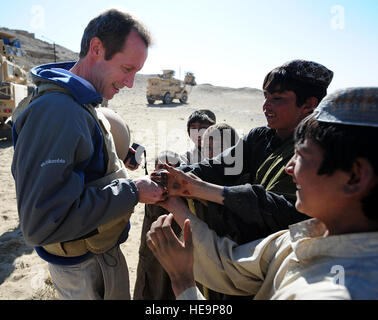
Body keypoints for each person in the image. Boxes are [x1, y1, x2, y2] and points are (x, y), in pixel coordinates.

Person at [147, 87, 378, 300]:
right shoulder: (301, 239)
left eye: (302, 157)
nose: (289, 168)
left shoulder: (337, 291)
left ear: (355, 176)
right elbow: (229, 265)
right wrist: (175, 205)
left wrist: (183, 282)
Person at [11, 9, 165, 300]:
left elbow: (77, 161)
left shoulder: (80, 101)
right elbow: (43, 223)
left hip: (95, 255)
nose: (130, 83)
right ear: (97, 49)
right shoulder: (57, 111)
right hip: (82, 268)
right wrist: (132, 192)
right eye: (127, 69)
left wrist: (118, 157)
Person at [167, 60, 334, 245]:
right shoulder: (259, 137)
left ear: (309, 104)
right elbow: (219, 166)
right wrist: (176, 174)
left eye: (277, 98)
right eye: (265, 97)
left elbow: (283, 212)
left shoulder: (316, 152)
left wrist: (212, 192)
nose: (266, 106)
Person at [134, 151, 182, 300]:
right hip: (150, 255)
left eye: (170, 168)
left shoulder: (183, 196)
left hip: (175, 257)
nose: (164, 172)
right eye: (160, 167)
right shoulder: (149, 193)